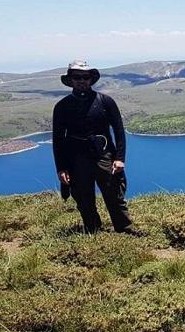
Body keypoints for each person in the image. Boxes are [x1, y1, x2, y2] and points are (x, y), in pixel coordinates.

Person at [52, 61, 136, 234]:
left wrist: (120, 158)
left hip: (104, 155)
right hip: (76, 159)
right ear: (70, 80)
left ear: (91, 79)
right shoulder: (62, 106)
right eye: (77, 77)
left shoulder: (105, 101)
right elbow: (58, 140)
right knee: (83, 198)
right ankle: (93, 231)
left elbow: (119, 130)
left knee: (114, 194)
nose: (82, 80)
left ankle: (125, 229)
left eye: (85, 77)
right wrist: (61, 168)